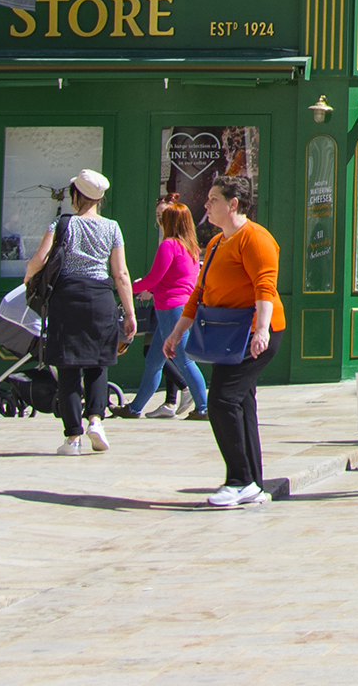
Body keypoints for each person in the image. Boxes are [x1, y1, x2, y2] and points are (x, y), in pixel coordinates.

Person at [164, 174, 284, 507]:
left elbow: (265, 287)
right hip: (228, 333)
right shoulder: (217, 242)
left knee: (222, 401)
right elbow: (199, 292)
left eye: (213, 199)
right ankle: (251, 482)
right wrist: (177, 332)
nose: (206, 204)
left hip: (254, 331)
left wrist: (261, 330)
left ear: (233, 204)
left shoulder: (255, 239)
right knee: (240, 401)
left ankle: (239, 480)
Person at [18, 168, 133, 457]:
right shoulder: (112, 227)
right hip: (100, 298)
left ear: (75, 195)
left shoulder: (61, 223)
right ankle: (96, 420)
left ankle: (72, 438)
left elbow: (39, 259)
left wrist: (28, 279)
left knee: (68, 366)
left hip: (67, 298)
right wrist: (129, 312)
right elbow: (120, 274)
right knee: (97, 364)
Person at [124, 198, 208, 419]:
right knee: (153, 361)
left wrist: (127, 287)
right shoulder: (190, 247)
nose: (160, 222)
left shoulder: (169, 245)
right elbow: (172, 279)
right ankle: (134, 408)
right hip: (179, 308)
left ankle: (204, 407)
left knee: (183, 360)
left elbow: (153, 278)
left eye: (163, 219)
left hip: (170, 309)